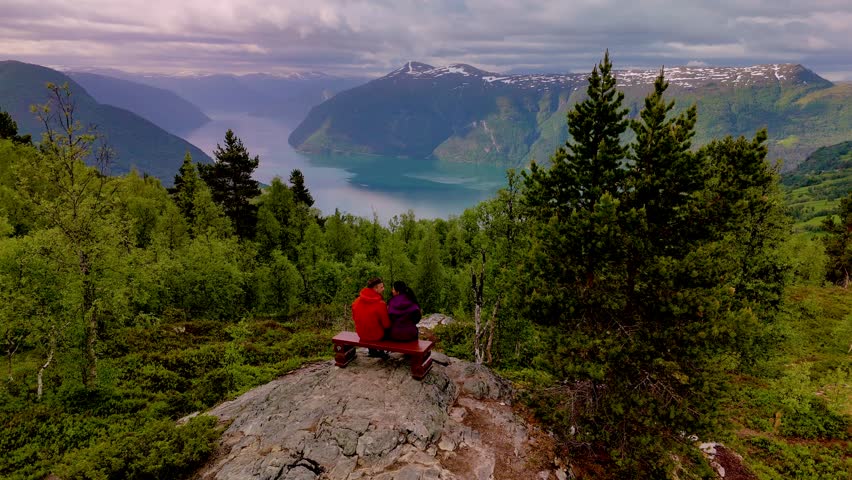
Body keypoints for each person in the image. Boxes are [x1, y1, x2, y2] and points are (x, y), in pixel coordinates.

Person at [351, 277, 391, 358]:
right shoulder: (380, 304)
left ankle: (372, 351)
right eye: (382, 287)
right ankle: (381, 351)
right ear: (375, 288)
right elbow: (386, 325)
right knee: (388, 329)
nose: (384, 289)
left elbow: (354, 318)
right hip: (376, 336)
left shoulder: (356, 301)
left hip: (361, 334)